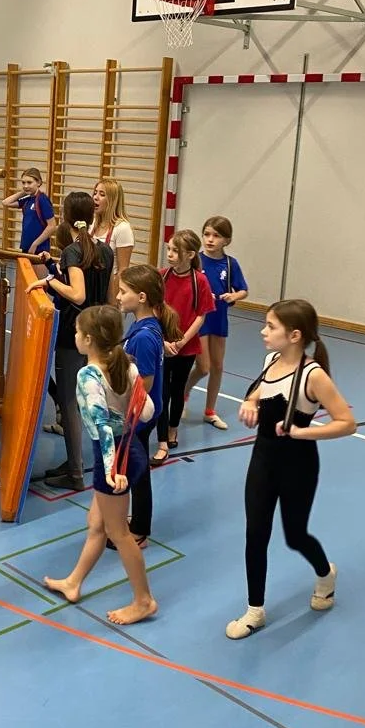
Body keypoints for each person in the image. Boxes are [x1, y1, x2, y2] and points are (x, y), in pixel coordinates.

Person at [227, 299, 355, 640]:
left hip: (298, 464)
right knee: (255, 533)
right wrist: (249, 403)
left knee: (295, 535)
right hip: (262, 459)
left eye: (271, 326)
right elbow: (258, 392)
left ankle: (325, 573)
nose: (263, 331)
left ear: (295, 335)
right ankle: (255, 610)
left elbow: (347, 423)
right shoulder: (270, 361)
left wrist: (301, 432)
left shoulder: (313, 375)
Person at [43, 306, 158, 625]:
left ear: (89, 339)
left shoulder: (88, 375)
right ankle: (74, 582)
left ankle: (144, 600)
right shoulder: (126, 365)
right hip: (130, 450)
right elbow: (148, 411)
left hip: (113, 458)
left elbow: (103, 427)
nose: (75, 336)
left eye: (77, 332)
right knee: (97, 523)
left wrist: (111, 470)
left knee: (119, 533)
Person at [27, 192, 114, 491]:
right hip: (97, 331)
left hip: (73, 334)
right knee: (86, 399)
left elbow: (77, 294)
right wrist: (56, 268)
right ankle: (77, 462)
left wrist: (51, 280)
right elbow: (106, 296)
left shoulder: (73, 251)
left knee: (69, 402)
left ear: (66, 218)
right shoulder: (105, 251)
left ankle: (75, 472)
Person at [114, 264, 182, 549]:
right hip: (140, 414)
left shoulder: (143, 336)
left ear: (141, 297)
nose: (118, 296)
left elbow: (145, 383)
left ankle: (139, 530)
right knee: (137, 468)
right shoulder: (144, 326)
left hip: (137, 416)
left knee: (137, 471)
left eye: (123, 291)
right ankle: (138, 521)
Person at [151, 229, 215, 466]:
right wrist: (163, 341)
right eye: (168, 249)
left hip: (185, 347)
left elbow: (200, 315)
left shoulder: (200, 281)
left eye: (175, 251)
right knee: (162, 392)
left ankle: (172, 429)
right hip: (163, 344)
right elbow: (154, 310)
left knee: (177, 390)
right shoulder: (162, 276)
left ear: (190, 255)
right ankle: (162, 442)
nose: (169, 254)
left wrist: (182, 341)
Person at [184, 216, 248, 430]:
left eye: (216, 236)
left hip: (219, 319)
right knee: (204, 367)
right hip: (200, 320)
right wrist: (202, 295)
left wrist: (234, 296)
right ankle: (183, 393)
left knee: (218, 366)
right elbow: (187, 286)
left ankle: (210, 411)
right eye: (207, 234)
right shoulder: (196, 261)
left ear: (226, 240)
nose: (210, 239)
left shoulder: (230, 264)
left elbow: (243, 290)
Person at [90, 179, 135, 305]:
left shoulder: (122, 228)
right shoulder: (92, 224)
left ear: (112, 200)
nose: (95, 197)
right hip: (91, 289)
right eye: (95, 193)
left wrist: (113, 301)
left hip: (108, 291)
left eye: (102, 194)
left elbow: (122, 270)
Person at [2, 168, 56, 257]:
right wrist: (23, 192)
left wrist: (35, 244)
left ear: (38, 182)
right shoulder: (27, 200)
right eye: (23, 183)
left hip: (39, 248)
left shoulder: (42, 200)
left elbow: (52, 226)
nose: (26, 185)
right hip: (26, 246)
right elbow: (5, 202)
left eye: (29, 182)